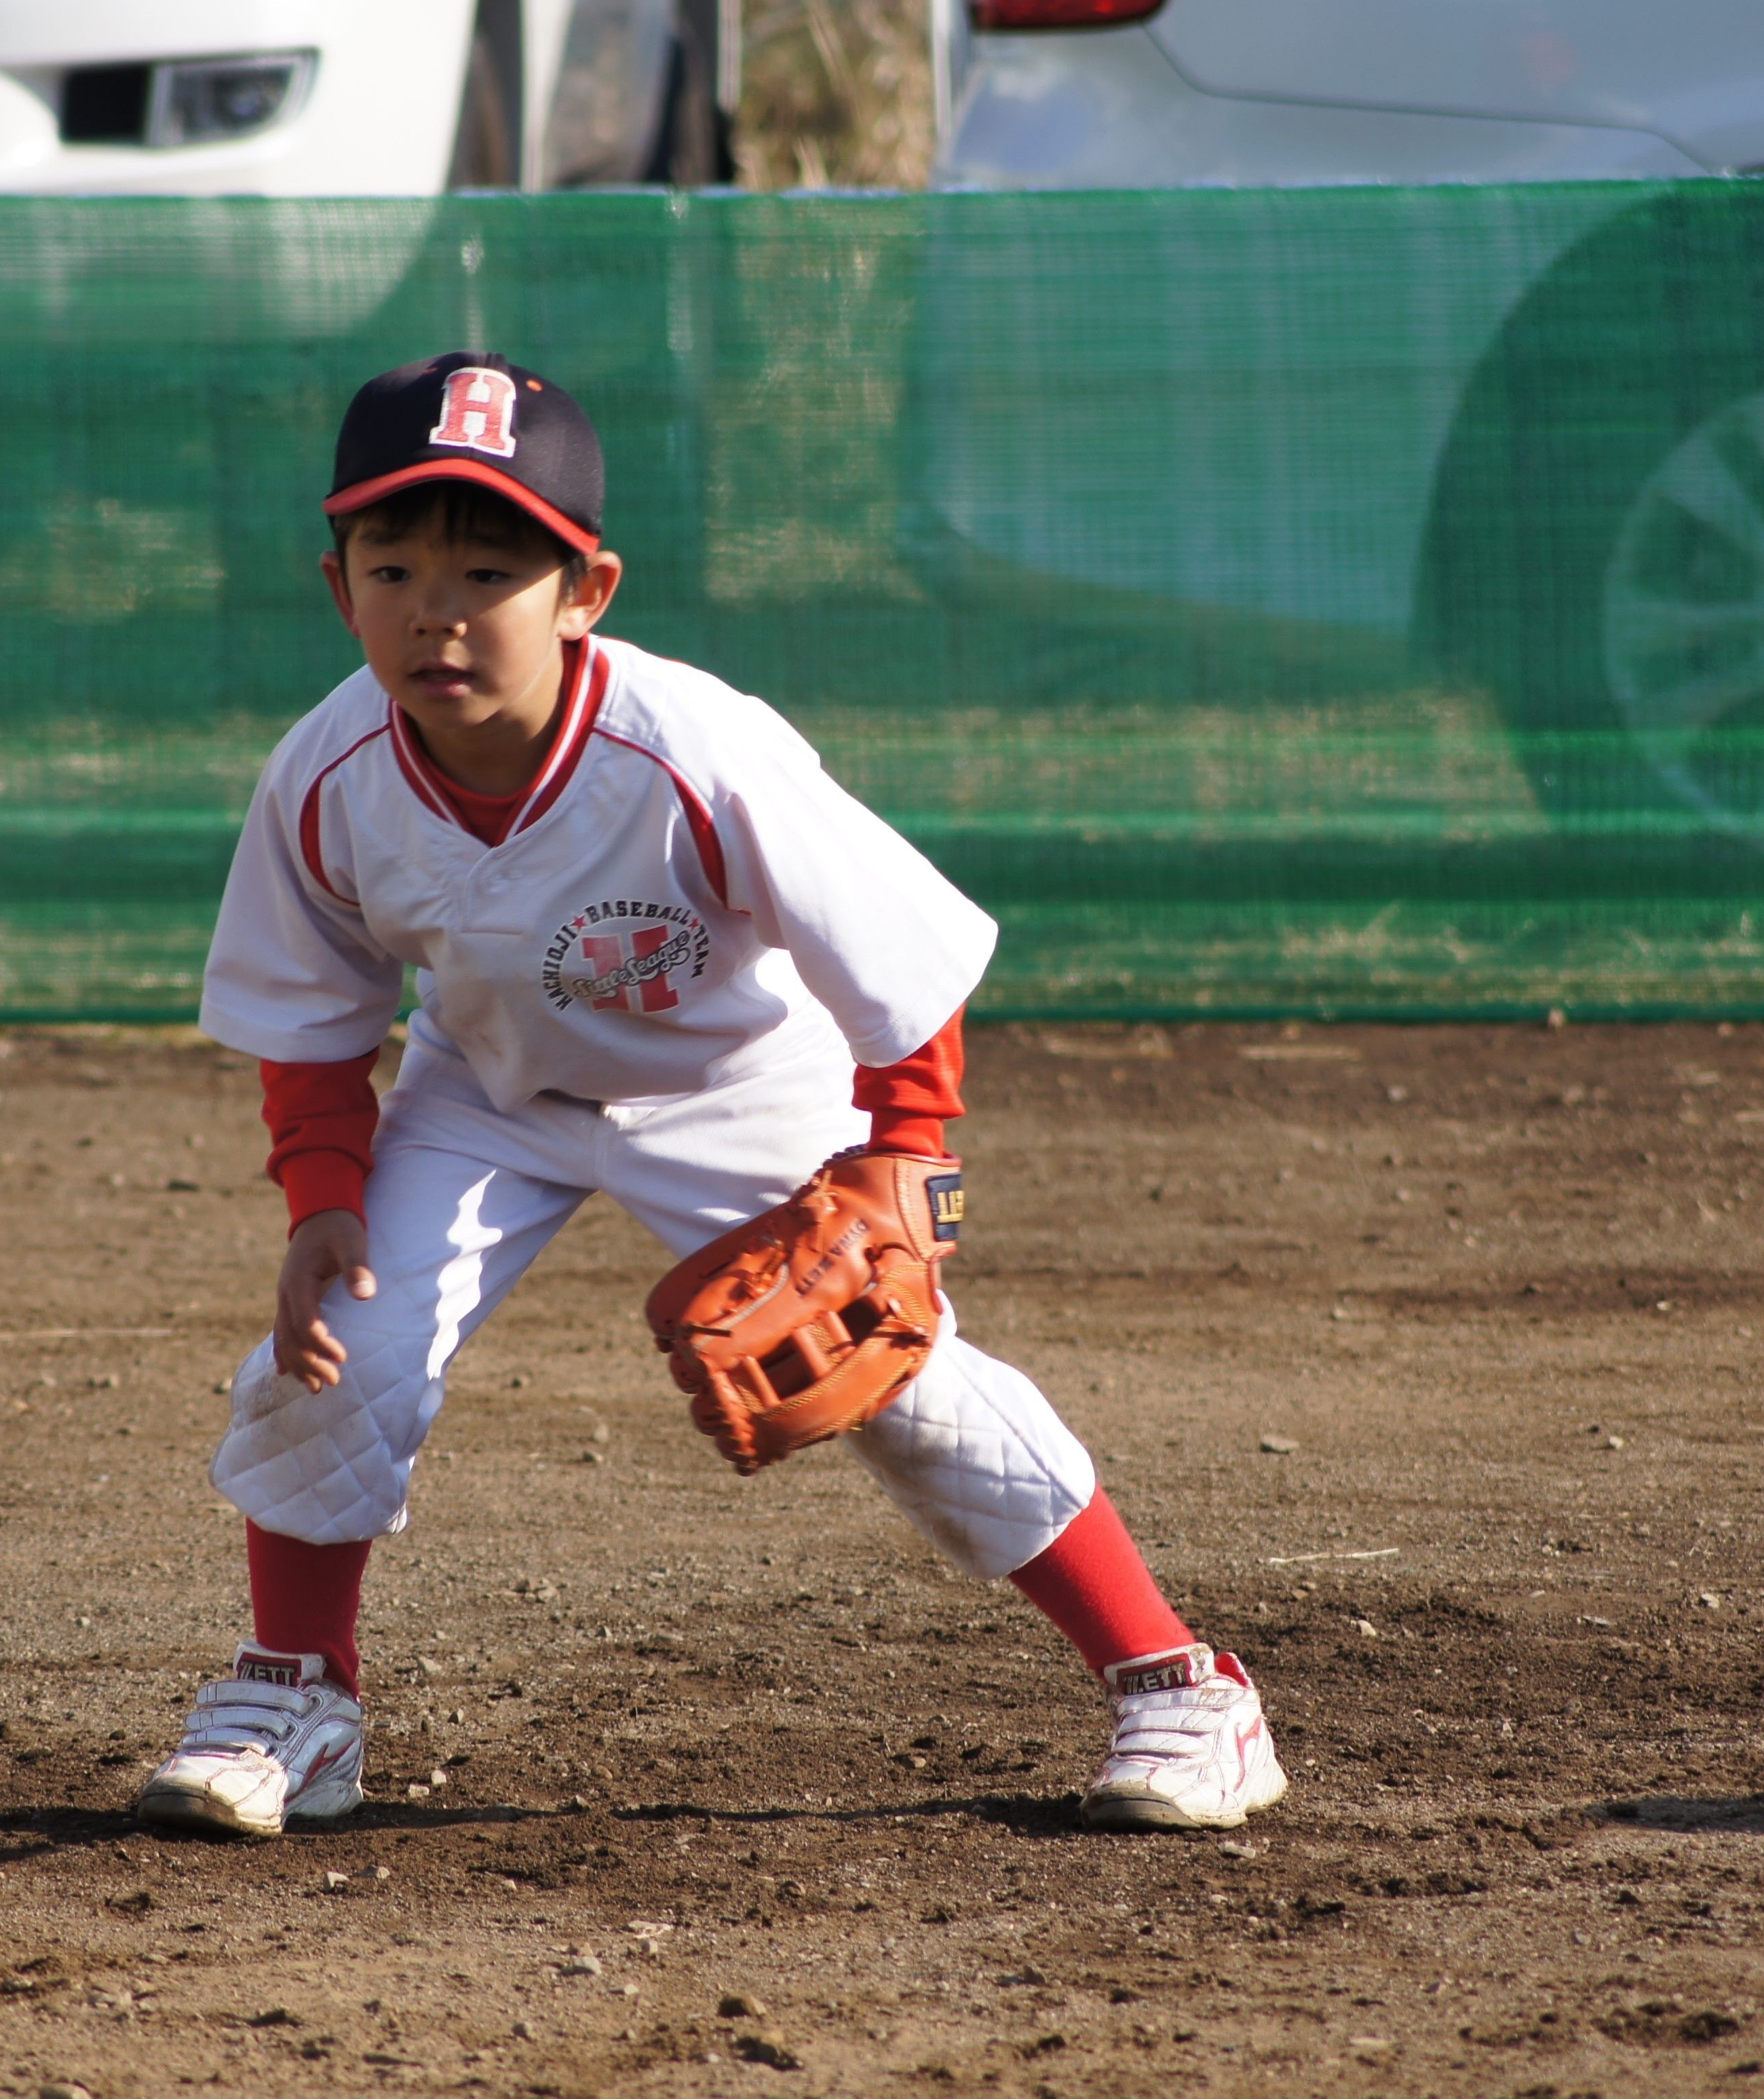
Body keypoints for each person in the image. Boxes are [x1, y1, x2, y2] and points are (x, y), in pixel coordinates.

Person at [136, 352, 1284, 1838]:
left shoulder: (692, 747)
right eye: (394, 566)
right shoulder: (326, 772)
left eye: (490, 570)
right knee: (336, 1356)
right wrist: (322, 1201)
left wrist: (905, 1161)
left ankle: (1182, 1686)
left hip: (738, 1078)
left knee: (900, 1381)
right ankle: (298, 1699)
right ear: (336, 587)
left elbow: (898, 959)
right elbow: (312, 1016)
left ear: (585, 593)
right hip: (488, 1091)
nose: (437, 610)